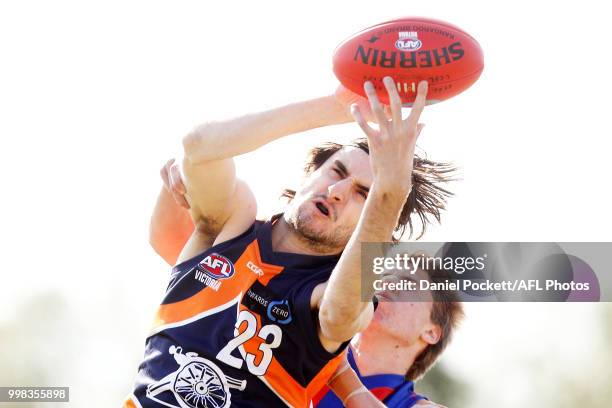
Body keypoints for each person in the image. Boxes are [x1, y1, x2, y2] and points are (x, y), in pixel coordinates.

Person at [125, 78, 455, 408]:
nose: (337, 191)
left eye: (362, 194)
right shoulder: (232, 223)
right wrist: (336, 107)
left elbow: (339, 312)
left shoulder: (336, 295)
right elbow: (199, 147)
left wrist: (390, 193)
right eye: (335, 172)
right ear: (309, 174)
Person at [313, 258, 464, 407]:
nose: (386, 282)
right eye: (384, 276)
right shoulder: (310, 339)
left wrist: (338, 371)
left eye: (408, 283)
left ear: (431, 332)